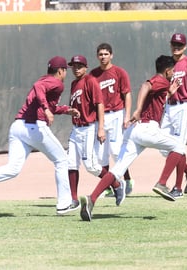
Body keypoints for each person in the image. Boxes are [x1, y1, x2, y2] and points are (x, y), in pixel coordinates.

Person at [0, 56, 80, 215]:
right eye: (65, 70)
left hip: (18, 128)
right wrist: (47, 109)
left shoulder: (45, 80)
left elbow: (45, 100)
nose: (66, 73)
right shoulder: (56, 83)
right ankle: (64, 204)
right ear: (60, 71)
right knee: (62, 160)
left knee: (13, 168)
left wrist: (64, 110)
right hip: (34, 127)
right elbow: (38, 88)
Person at [80, 55, 185, 222]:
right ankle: (162, 183)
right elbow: (146, 86)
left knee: (117, 170)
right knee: (179, 147)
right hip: (147, 128)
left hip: (134, 131)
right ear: (167, 70)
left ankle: (91, 199)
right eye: (172, 70)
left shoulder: (164, 85)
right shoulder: (161, 80)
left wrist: (170, 93)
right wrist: (137, 109)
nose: (173, 73)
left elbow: (155, 98)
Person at [160, 33, 187, 197]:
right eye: (174, 44)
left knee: (178, 146)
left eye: (179, 45)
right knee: (163, 147)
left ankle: (177, 187)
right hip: (169, 107)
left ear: (185, 47)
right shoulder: (167, 64)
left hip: (184, 106)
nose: (176, 47)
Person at [90, 43, 134, 196]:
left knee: (116, 151)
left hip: (116, 114)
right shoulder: (93, 75)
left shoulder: (119, 72)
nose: (103, 57)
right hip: (100, 117)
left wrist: (127, 115)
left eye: (106, 54)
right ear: (97, 56)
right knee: (101, 155)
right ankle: (108, 186)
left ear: (111, 55)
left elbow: (127, 94)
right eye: (100, 54)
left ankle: (128, 180)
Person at [67, 55, 107, 208]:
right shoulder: (74, 83)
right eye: (74, 66)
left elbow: (100, 104)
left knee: (90, 165)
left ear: (85, 67)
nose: (76, 68)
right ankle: (74, 199)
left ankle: (116, 184)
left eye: (79, 66)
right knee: (70, 163)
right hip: (75, 129)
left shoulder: (90, 81)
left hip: (88, 127)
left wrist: (101, 128)